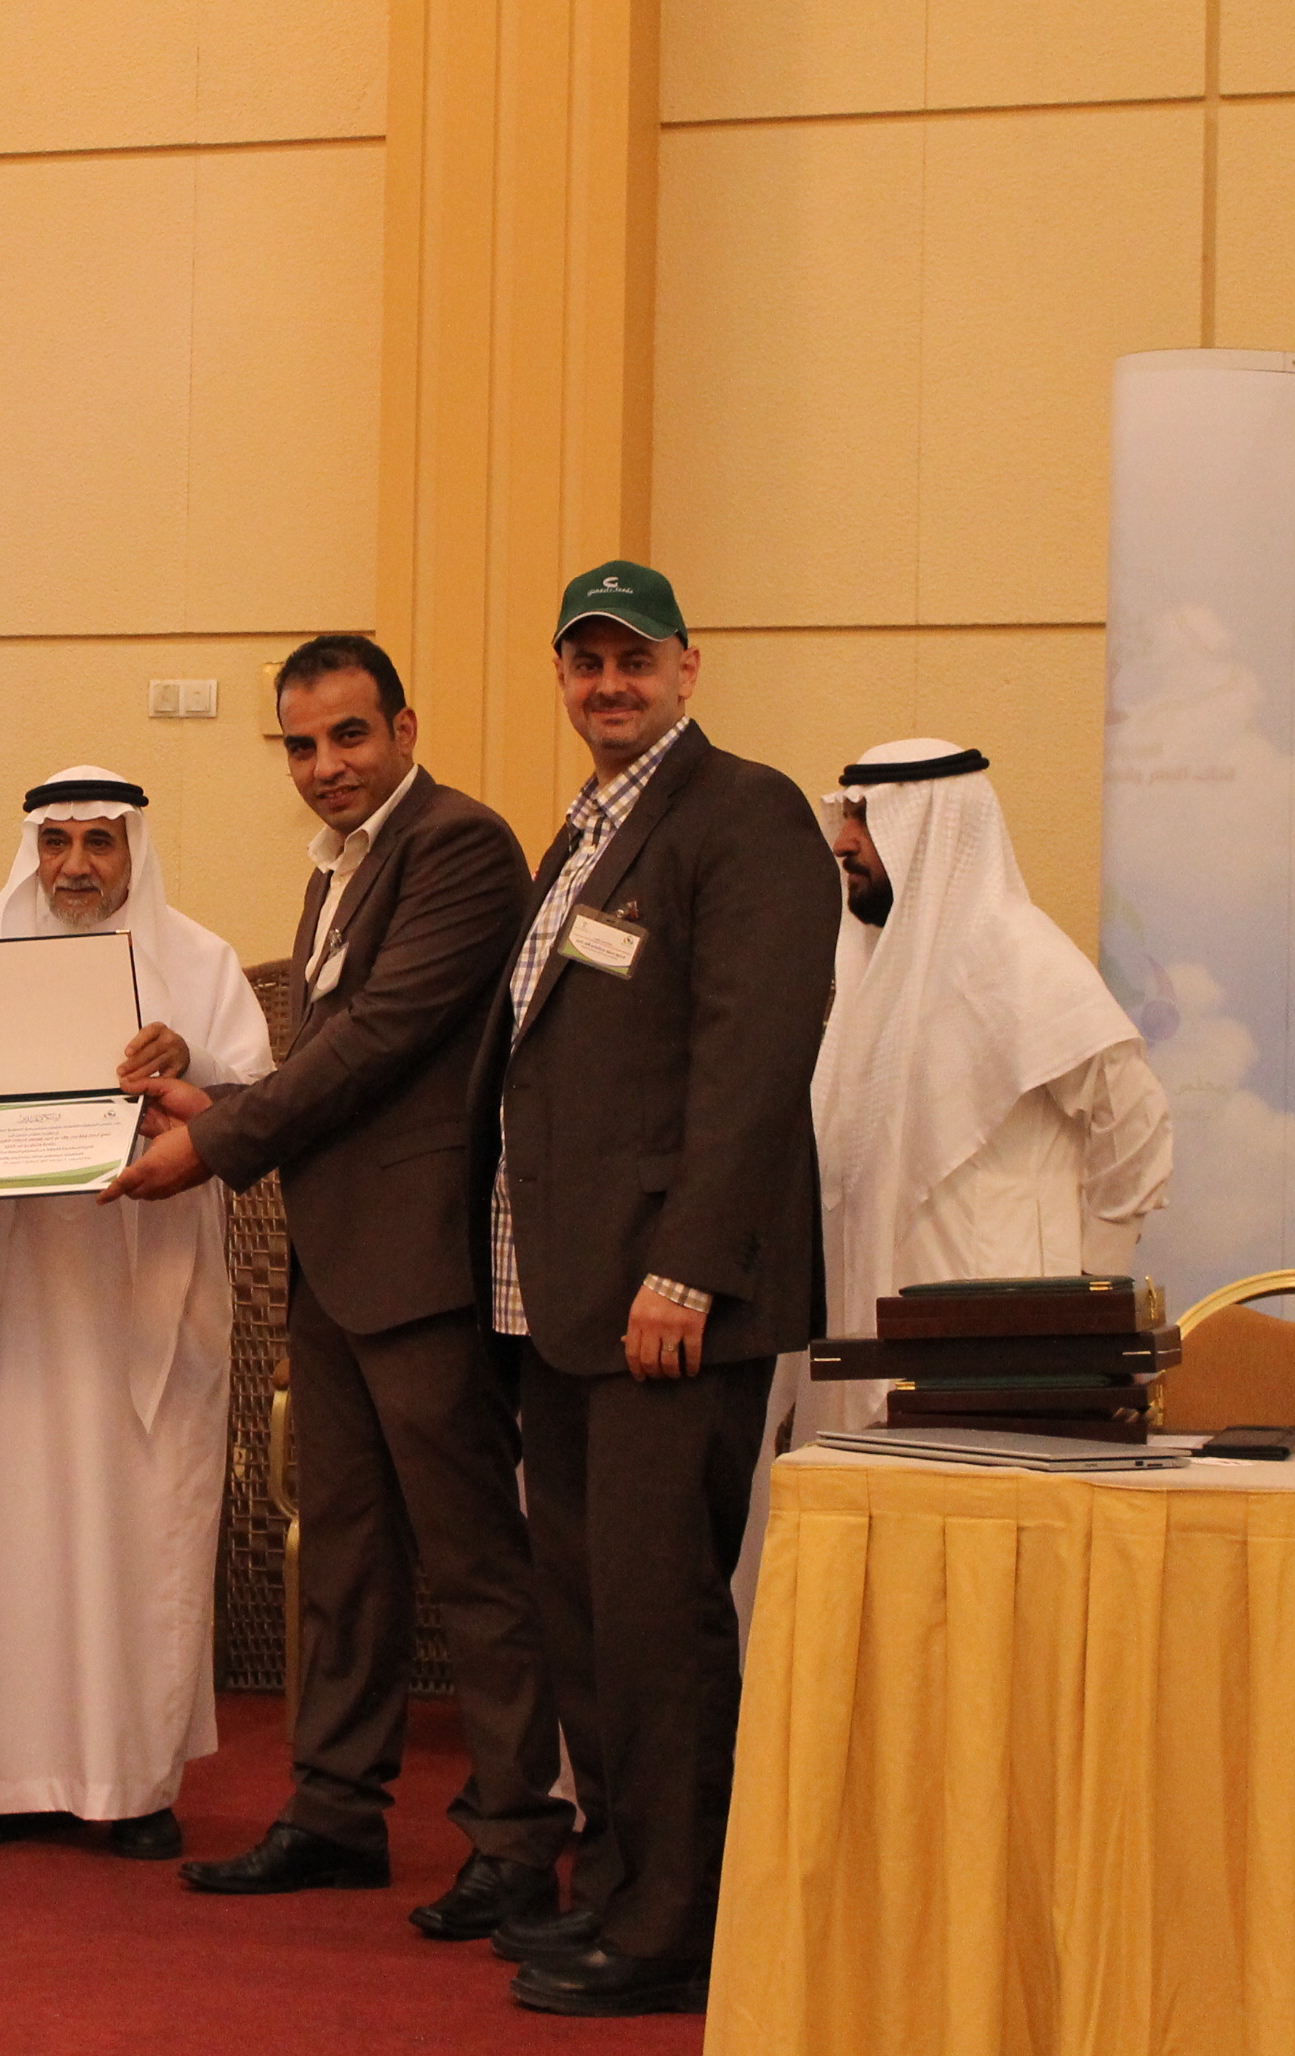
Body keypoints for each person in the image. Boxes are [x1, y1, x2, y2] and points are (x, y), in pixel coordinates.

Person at [110, 637, 570, 1941]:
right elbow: (331, 1059)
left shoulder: (460, 845)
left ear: (404, 729)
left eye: (349, 736)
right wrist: (215, 1099)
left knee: (474, 1561)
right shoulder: (337, 868)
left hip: (426, 1264)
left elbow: (379, 1040)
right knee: (348, 1556)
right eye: (302, 745)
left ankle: (519, 1837)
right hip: (342, 1257)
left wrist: (218, 1143)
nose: (325, 767)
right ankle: (334, 1811)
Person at [468, 564, 837, 2016]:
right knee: (590, 1618)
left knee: (658, 1623)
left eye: (634, 659)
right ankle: (621, 1888)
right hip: (564, 1306)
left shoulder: (743, 813)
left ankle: (676, 1927)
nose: (609, 684)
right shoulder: (586, 829)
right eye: (586, 661)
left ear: (691, 665)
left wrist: (683, 1265)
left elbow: (754, 1059)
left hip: (667, 1307)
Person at [0, 769, 274, 1861]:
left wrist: (188, 1062)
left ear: (132, 850)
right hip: (18, 1292)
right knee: (9, 1522)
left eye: (99, 842)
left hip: (143, 1289)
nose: (75, 865)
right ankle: (5, 1778)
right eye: (57, 842)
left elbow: (258, 1108)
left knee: (142, 1521)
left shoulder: (200, 962)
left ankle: (132, 1783)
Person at [783, 739, 1172, 1445]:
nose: (843, 842)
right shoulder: (864, 965)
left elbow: (1136, 1119)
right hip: (877, 1323)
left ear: (931, 828)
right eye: (847, 817)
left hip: (1002, 1324)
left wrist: (1093, 1285)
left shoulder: (1017, 953)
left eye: (867, 819)